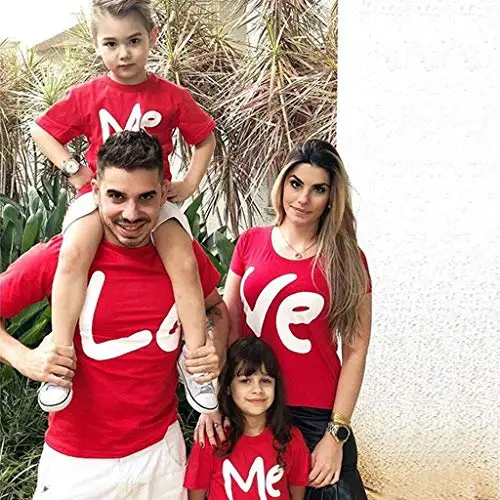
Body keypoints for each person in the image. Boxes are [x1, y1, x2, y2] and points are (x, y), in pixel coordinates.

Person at [0, 131, 229, 500]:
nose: (131, 214)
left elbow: (216, 308)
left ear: (164, 194)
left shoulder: (182, 257)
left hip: (161, 457)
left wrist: (211, 346)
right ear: (95, 193)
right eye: (117, 197)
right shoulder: (61, 256)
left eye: (146, 197)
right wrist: (24, 358)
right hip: (77, 466)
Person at [30, 0, 217, 415]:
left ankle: (196, 362)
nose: (124, 53)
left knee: (184, 264)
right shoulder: (88, 95)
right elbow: (42, 130)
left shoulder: (171, 96)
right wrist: (75, 170)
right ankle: (60, 356)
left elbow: (205, 137)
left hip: (152, 199)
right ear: (96, 44)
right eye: (111, 44)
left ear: (152, 38)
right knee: (72, 255)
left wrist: (189, 183)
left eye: (133, 41)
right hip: (101, 198)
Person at [197, 139, 372, 499]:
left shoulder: (348, 259)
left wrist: (335, 434)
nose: (303, 198)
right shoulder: (250, 242)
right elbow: (227, 325)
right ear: (282, 184)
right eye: (296, 184)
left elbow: (356, 350)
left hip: (315, 414)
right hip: (251, 405)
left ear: (332, 197)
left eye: (318, 189)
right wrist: (213, 401)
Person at [185, 337, 310, 499]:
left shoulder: (291, 439)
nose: (257, 389)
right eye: (245, 381)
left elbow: (297, 494)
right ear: (228, 387)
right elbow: (195, 496)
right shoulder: (211, 439)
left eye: (265, 381)